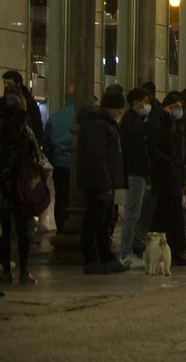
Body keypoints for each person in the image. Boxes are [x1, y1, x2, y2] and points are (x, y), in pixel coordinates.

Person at [78, 89, 127, 274]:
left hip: (106, 181)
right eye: (118, 108)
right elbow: (97, 157)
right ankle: (91, 259)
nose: (120, 112)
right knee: (94, 221)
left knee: (106, 221)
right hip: (97, 183)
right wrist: (106, 184)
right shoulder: (98, 125)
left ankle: (106, 257)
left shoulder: (107, 123)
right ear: (111, 107)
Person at [1, 89, 44, 284]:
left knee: (4, 229)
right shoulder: (25, 129)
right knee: (23, 230)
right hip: (21, 186)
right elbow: (36, 155)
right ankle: (24, 271)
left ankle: (5, 270)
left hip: (2, 185)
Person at [148, 92, 186, 267]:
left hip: (176, 177)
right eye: (175, 107)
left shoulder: (179, 127)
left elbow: (182, 154)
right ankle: (164, 249)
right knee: (167, 215)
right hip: (165, 176)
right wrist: (170, 162)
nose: (178, 111)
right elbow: (153, 146)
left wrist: (185, 180)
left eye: (181, 107)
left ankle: (172, 250)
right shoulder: (159, 121)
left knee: (171, 215)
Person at [116, 87, 154, 268]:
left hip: (138, 171)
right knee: (131, 214)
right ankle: (125, 253)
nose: (147, 105)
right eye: (145, 101)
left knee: (136, 214)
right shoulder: (131, 120)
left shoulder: (135, 120)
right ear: (136, 102)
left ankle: (129, 250)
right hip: (134, 171)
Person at [42, 82, 75, 231]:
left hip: (60, 165)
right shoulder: (83, 116)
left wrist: (54, 158)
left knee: (61, 200)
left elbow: (46, 143)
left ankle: (61, 230)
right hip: (78, 167)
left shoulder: (55, 117)